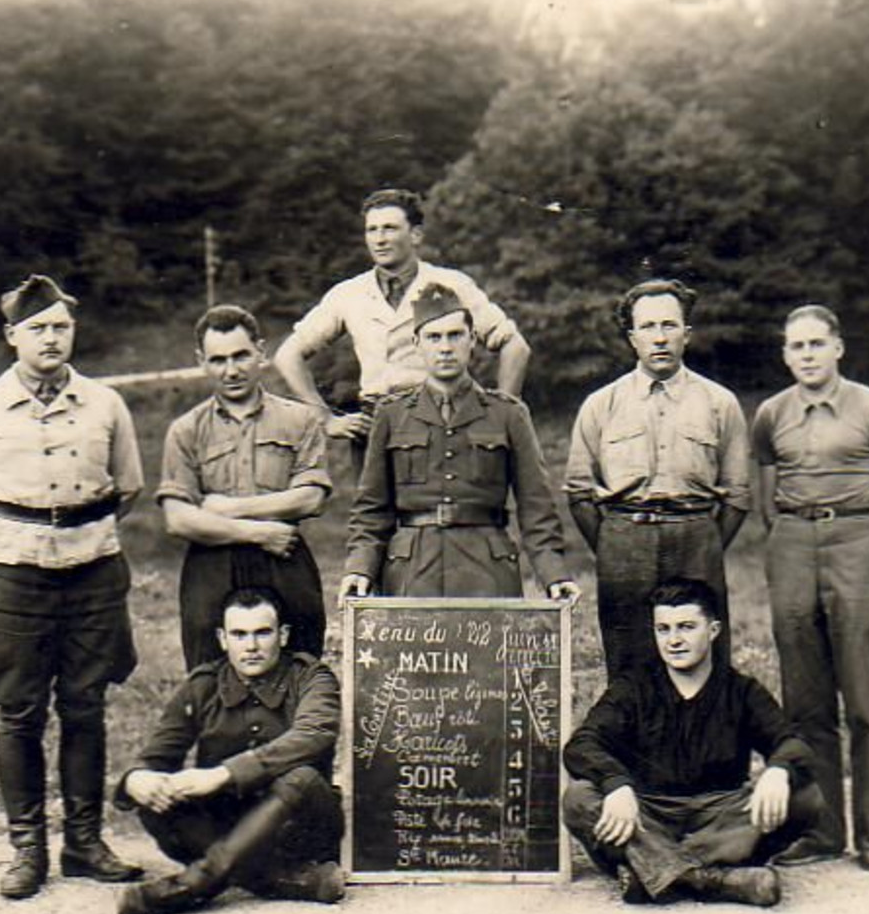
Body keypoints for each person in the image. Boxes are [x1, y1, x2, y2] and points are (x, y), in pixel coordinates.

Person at [0, 273, 144, 900]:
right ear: (10, 337)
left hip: (93, 572)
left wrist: (75, 535)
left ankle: (84, 843)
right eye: (37, 329)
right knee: (19, 713)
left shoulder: (106, 403)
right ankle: (28, 849)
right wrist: (2, 549)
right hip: (11, 579)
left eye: (61, 327)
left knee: (86, 706)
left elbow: (127, 487)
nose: (51, 339)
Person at [750, 304, 869, 873]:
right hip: (794, 542)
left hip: (856, 542)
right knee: (806, 702)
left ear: (838, 347)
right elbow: (766, 501)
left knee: (864, 702)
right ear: (785, 354)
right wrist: (793, 545)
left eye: (817, 344)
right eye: (796, 346)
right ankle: (823, 832)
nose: (807, 356)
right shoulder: (771, 415)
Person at [562, 578, 840, 906]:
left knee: (805, 797)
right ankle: (713, 879)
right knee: (579, 798)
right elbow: (582, 742)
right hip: (648, 814)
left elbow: (792, 741)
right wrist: (617, 785)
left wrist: (778, 770)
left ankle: (654, 873)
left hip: (721, 816)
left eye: (687, 627)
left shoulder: (741, 691)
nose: (674, 640)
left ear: (713, 630)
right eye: (663, 629)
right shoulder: (634, 688)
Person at [114, 586, 344, 914]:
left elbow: (315, 734)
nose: (250, 646)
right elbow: (157, 755)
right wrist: (138, 779)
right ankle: (286, 880)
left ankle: (195, 883)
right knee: (155, 799)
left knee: (303, 778)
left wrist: (224, 774)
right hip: (223, 825)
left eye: (262, 633)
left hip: (298, 830)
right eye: (239, 634)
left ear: (282, 635)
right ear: (223, 639)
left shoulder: (311, 677)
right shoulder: (203, 684)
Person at [339, 283, 579, 602]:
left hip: (487, 567)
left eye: (455, 335)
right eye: (433, 337)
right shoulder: (391, 414)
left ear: (473, 340)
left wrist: (553, 573)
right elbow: (372, 508)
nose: (445, 347)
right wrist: (360, 568)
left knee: (488, 650)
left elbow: (536, 506)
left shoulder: (508, 414)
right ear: (417, 344)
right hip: (412, 568)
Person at [564, 278, 751, 680]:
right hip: (625, 541)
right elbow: (579, 492)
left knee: (703, 663)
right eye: (648, 327)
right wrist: (614, 542)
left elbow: (737, 496)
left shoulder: (720, 403)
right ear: (632, 338)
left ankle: (702, 743)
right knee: (630, 662)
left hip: (696, 539)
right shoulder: (601, 405)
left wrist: (706, 538)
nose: (660, 338)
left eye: (669, 325)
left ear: (687, 333)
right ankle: (637, 744)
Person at [272, 188, 532, 469]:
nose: (380, 239)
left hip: (444, 421)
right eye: (372, 230)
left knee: (442, 511)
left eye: (390, 228)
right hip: (374, 428)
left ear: (416, 235)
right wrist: (324, 418)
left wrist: (501, 418)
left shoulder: (452, 284)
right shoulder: (348, 293)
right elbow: (287, 355)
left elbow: (515, 347)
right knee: (372, 512)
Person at [157, 304, 332, 671]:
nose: (231, 370)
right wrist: (256, 532)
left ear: (261, 353)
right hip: (213, 560)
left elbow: (310, 497)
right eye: (218, 360)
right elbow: (178, 519)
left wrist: (229, 508)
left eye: (241, 356)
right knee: (209, 670)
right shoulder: (186, 430)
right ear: (201, 361)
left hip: (284, 555)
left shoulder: (299, 419)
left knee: (300, 662)